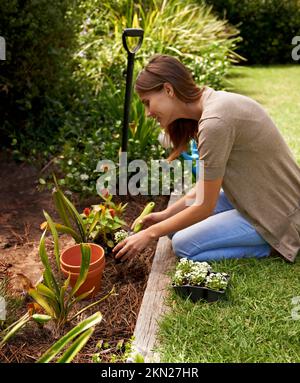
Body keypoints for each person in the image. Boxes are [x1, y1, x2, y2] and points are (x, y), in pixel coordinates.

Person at [112, 54, 300, 263]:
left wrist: (150, 232)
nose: (147, 113)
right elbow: (204, 190)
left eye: (147, 102)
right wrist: (166, 215)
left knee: (183, 244)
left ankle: (273, 244)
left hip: (277, 212)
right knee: (174, 229)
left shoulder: (214, 122)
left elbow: (204, 205)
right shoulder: (210, 104)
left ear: (168, 89)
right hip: (254, 195)